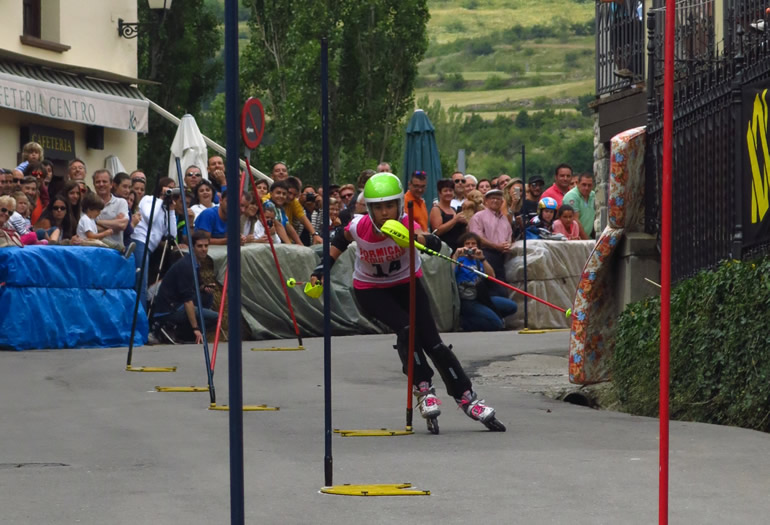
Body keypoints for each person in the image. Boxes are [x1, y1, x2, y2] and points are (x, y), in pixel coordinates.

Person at [309, 173, 505, 432]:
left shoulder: (405, 223)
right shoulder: (360, 226)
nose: (384, 212)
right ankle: (423, 388)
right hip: (371, 290)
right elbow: (340, 240)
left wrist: (413, 239)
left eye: (389, 205)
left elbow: (432, 241)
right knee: (406, 330)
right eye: (377, 207)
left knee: (434, 343)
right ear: (369, 209)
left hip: (407, 285)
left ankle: (467, 397)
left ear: (399, 205)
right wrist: (324, 267)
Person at [150, 231, 219, 344]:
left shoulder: (195, 262)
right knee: (217, 317)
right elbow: (187, 301)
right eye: (200, 246)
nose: (204, 249)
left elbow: (196, 285)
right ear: (192, 247)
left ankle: (187, 330)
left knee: (208, 296)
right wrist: (195, 328)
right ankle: (187, 332)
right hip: (169, 310)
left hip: (178, 302)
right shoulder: (186, 266)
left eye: (206, 246)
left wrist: (203, 288)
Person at [453, 232, 517, 331]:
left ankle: (485, 316)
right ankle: (464, 323)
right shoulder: (459, 260)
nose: (470, 246)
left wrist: (482, 259)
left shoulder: (479, 259)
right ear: (462, 246)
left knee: (512, 306)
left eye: (473, 243)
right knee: (497, 325)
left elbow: (492, 276)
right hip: (468, 300)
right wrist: (455, 256)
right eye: (467, 243)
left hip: (482, 297)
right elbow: (450, 275)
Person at [132, 177, 178, 310]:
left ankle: (141, 316)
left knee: (143, 282)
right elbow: (149, 216)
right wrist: (161, 198)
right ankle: (140, 319)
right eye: (168, 187)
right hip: (140, 241)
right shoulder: (149, 199)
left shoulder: (165, 210)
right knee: (141, 282)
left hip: (148, 247)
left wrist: (171, 210)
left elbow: (172, 234)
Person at [468, 189, 512, 292]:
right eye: (492, 198)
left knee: (502, 288)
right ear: (486, 201)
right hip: (484, 255)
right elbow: (477, 237)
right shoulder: (478, 217)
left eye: (498, 198)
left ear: (502, 202)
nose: (495, 201)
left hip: (502, 257)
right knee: (490, 288)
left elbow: (509, 235)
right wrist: (496, 246)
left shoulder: (504, 219)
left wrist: (507, 245)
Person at [93, 169, 129, 248]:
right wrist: (114, 223)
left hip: (116, 253)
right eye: (98, 182)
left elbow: (122, 225)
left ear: (111, 184)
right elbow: (88, 229)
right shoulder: (88, 204)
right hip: (95, 251)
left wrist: (96, 221)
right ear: (94, 185)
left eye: (104, 181)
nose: (101, 184)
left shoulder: (121, 202)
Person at [429, 178, 466, 251]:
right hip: (444, 249)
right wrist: (455, 220)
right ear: (440, 193)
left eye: (450, 190)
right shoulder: (436, 209)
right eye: (445, 191)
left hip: (457, 248)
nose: (448, 193)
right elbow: (437, 231)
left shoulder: (454, 209)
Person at [563, 172, 596, 239]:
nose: (586, 188)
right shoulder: (571, 196)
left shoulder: (593, 195)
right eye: (584, 185)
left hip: (589, 237)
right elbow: (575, 219)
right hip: (574, 238)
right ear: (578, 184)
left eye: (589, 185)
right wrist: (586, 240)